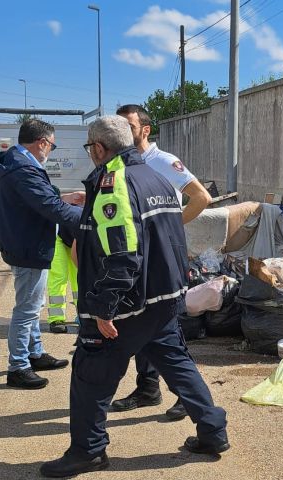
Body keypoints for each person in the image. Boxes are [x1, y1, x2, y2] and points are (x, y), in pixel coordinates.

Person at [40, 116, 228, 478]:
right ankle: (213, 431)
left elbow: (123, 254)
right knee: (176, 363)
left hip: (129, 304)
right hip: (164, 296)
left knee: (90, 375)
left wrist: (103, 308)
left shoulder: (114, 185)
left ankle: (88, 451)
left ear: (98, 148)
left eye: (89, 148)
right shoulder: (156, 177)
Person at [112, 104, 212, 421]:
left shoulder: (163, 161)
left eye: (128, 126)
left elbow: (202, 197)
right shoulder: (121, 163)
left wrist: (170, 226)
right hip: (138, 257)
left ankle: (187, 395)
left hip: (163, 257)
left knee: (167, 327)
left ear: (145, 129)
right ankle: (147, 388)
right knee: (140, 320)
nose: (122, 131)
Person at [0, 119, 84, 389]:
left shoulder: (14, 161)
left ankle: (34, 353)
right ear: (43, 143)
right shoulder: (24, 168)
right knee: (27, 309)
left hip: (23, 242)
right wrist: (88, 218)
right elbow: (49, 206)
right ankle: (18, 367)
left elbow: (36, 197)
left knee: (32, 305)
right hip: (29, 246)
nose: (50, 150)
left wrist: (64, 197)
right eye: (52, 146)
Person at [46, 225, 78, 334]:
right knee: (58, 277)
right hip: (57, 236)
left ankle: (83, 314)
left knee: (80, 278)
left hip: (80, 236)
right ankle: (56, 318)